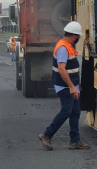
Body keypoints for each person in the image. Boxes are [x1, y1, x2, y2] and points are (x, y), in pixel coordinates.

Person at [38, 21, 90, 151]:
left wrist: (75, 86)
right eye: (78, 37)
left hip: (72, 86)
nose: (78, 39)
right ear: (73, 36)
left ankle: (75, 141)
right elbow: (62, 69)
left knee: (75, 112)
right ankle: (47, 135)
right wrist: (72, 87)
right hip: (66, 87)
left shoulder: (67, 46)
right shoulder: (62, 48)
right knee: (66, 111)